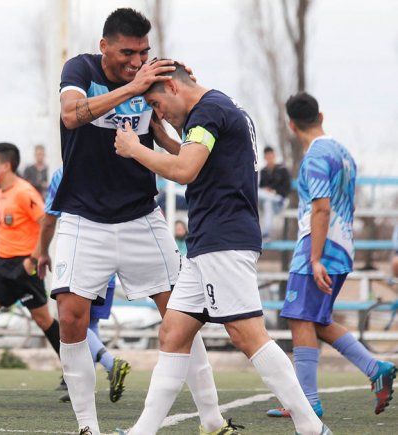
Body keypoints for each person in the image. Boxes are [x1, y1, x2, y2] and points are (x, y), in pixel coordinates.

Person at [113, 62, 329, 435]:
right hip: (208, 242)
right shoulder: (222, 108)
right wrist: (164, 140)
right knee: (174, 332)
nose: (156, 113)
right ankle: (143, 431)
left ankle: (311, 427)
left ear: (173, 87)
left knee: (248, 335)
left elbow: (185, 170)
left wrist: (134, 148)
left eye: (155, 102)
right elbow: (199, 160)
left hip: (223, 240)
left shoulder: (209, 111)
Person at [47, 9, 230, 435]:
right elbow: (71, 115)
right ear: (104, 46)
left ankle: (212, 420)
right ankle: (87, 427)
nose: (136, 60)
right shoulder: (81, 68)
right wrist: (133, 85)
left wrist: (186, 98)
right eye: (128, 52)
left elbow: (170, 139)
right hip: (82, 218)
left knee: (182, 316)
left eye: (143, 52)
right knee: (71, 317)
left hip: (141, 217)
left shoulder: (151, 78)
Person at [265, 92, 395, 418]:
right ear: (320, 116)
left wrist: (314, 258)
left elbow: (321, 209)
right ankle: (375, 367)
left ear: (292, 125)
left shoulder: (315, 157)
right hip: (343, 246)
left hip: (319, 246)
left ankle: (306, 401)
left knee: (298, 317)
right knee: (317, 321)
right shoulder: (344, 153)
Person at [41, 168, 131, 404]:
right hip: (111, 259)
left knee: (72, 319)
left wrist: (41, 251)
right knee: (90, 324)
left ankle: (110, 363)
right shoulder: (112, 166)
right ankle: (84, 387)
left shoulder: (64, 171)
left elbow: (50, 218)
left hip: (81, 259)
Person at [0, 143, 61, 367]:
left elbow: (46, 223)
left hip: (25, 266)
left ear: (5, 166)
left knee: (44, 320)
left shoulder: (25, 192)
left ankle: (73, 370)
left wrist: (33, 259)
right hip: (0, 266)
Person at [258, 146, 292, 239]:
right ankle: (265, 234)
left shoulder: (282, 170)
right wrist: (267, 191)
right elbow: (261, 188)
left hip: (280, 201)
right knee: (266, 202)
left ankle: (265, 234)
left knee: (267, 200)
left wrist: (274, 191)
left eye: (271, 156)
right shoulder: (263, 171)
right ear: (264, 157)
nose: (269, 158)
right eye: (267, 156)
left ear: (274, 155)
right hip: (268, 201)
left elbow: (287, 188)